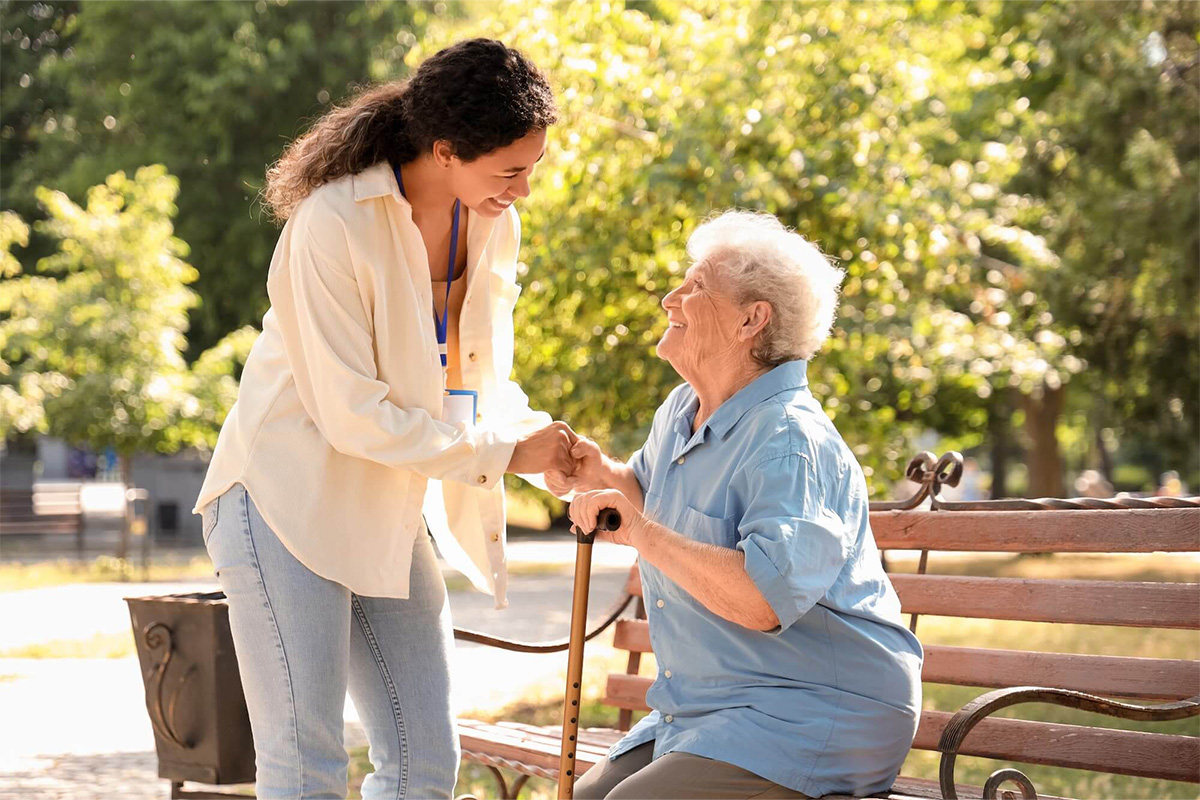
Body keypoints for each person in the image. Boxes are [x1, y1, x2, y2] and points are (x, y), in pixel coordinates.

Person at [193, 39, 576, 799]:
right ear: (443, 151)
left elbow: (478, 377)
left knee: (425, 758)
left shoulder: (491, 220)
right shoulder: (332, 222)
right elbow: (351, 413)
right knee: (308, 764)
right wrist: (502, 455)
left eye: (531, 167)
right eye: (510, 170)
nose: (524, 190)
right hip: (284, 501)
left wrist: (556, 452)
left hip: (386, 506)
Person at [551, 211, 923, 799]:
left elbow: (760, 600)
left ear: (752, 319)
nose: (671, 297)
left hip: (815, 709)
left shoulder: (789, 441)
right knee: (586, 797)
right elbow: (649, 499)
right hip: (712, 707)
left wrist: (643, 534)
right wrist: (600, 474)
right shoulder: (682, 411)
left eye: (695, 287)